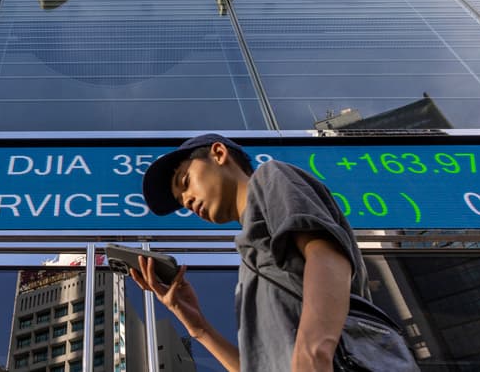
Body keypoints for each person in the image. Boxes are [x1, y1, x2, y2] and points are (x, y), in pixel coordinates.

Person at [131, 133, 372, 372]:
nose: (186, 200)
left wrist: (313, 356)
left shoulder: (270, 177)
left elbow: (327, 256)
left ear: (218, 154)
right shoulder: (248, 266)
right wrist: (199, 327)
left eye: (185, 182)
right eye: (181, 200)